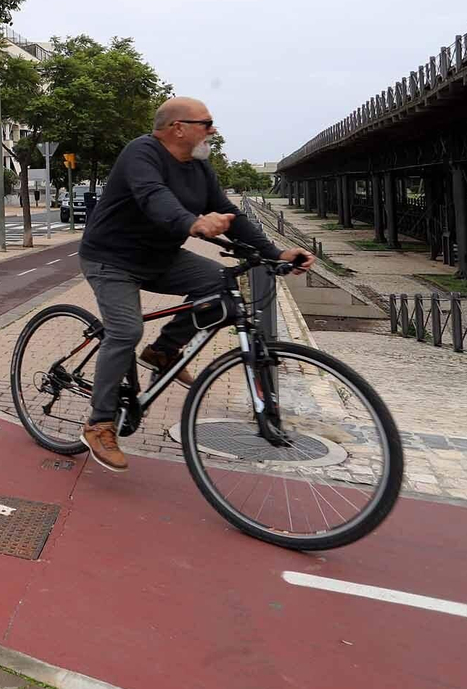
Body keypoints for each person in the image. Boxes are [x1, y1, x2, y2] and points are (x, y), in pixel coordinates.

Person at [75, 97, 315, 473]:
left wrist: (275, 253)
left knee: (219, 283)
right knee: (125, 330)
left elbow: (231, 214)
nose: (213, 130)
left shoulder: (200, 168)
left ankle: (163, 351)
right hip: (112, 259)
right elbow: (153, 196)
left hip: (161, 258)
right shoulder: (142, 153)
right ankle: (100, 422)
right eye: (207, 123)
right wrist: (192, 222)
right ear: (178, 128)